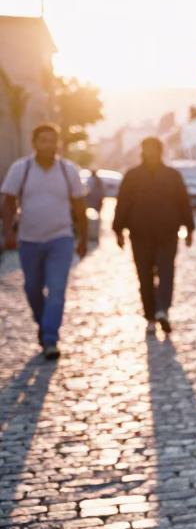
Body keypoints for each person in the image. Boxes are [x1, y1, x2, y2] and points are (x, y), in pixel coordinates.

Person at [1, 123, 89, 360]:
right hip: (29, 239)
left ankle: (50, 338)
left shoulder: (67, 170)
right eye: (43, 140)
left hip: (60, 238)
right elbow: (8, 202)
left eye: (52, 140)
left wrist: (83, 237)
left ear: (58, 143)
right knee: (32, 288)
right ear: (34, 143)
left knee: (57, 289)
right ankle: (43, 323)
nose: (48, 145)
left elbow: (79, 206)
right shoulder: (22, 169)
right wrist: (9, 233)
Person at [113, 137, 195, 336]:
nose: (150, 153)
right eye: (147, 150)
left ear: (160, 151)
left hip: (167, 232)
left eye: (154, 150)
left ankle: (162, 310)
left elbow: (183, 202)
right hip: (140, 234)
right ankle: (150, 316)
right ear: (142, 151)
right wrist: (118, 230)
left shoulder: (172, 175)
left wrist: (189, 229)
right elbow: (123, 203)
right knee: (145, 275)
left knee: (167, 272)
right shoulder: (132, 176)